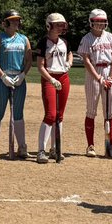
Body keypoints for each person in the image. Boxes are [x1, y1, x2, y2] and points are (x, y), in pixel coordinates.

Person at [0, 10, 32, 160]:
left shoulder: (24, 39)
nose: (16, 22)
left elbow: (29, 60)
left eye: (17, 20)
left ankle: (22, 146)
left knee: (18, 114)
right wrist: (3, 76)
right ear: (5, 22)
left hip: (19, 79)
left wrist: (23, 75)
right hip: (2, 80)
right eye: (12, 20)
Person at [77, 9, 112, 157]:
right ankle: (90, 145)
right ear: (91, 22)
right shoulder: (87, 39)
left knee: (109, 112)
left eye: (102, 21)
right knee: (91, 110)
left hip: (108, 72)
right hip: (93, 74)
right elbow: (86, 61)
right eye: (97, 21)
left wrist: (111, 77)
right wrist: (98, 78)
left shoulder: (110, 37)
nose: (100, 24)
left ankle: (109, 145)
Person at [36, 13, 73, 163]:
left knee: (60, 115)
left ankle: (55, 148)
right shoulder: (43, 42)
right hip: (49, 77)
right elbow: (40, 66)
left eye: (61, 25)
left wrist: (69, 63)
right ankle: (41, 150)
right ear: (49, 26)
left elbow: (70, 54)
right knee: (51, 114)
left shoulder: (64, 41)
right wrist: (51, 79)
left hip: (63, 77)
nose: (60, 27)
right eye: (57, 25)